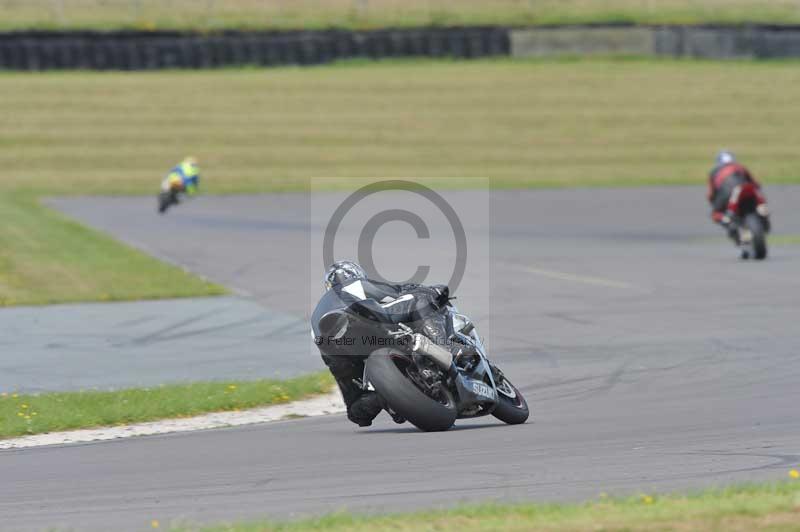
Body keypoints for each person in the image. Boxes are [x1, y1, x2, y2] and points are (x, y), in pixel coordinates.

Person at [314, 260, 452, 427]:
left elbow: (357, 414)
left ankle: (387, 396)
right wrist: (431, 291)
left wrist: (385, 392)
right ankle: (445, 348)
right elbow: (395, 294)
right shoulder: (355, 286)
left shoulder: (320, 319)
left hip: (337, 349)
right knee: (422, 299)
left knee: (356, 408)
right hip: (370, 323)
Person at [707, 150, 769, 241]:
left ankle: (726, 220)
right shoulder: (740, 167)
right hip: (746, 190)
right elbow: (755, 184)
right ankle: (762, 210)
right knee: (756, 195)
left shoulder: (714, 172)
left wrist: (714, 203)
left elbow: (711, 194)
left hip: (726, 195)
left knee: (715, 214)